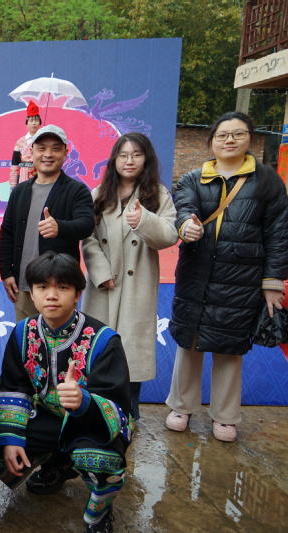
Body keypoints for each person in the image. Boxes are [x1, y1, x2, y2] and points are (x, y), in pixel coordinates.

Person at [165, 111, 288, 443]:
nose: (229, 140)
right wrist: (186, 226)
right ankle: (181, 406)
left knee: (230, 347)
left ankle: (225, 415)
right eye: (222, 135)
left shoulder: (268, 181)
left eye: (238, 133)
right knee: (189, 340)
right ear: (212, 142)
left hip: (242, 277)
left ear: (249, 138)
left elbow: (279, 234)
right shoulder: (193, 178)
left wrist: (272, 282)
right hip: (196, 272)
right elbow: (184, 208)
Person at [0, 251, 133, 533]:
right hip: (46, 417)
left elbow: (118, 408)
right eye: (42, 287)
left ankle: (99, 513)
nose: (52, 296)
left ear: (78, 293)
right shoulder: (22, 332)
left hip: (91, 424)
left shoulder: (104, 340)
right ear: (32, 293)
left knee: (100, 459)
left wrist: (83, 401)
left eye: (63, 287)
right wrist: (11, 437)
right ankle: (58, 464)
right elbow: (13, 388)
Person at [81, 133, 178, 420]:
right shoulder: (100, 193)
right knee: (98, 346)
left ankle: (129, 410)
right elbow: (88, 237)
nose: (129, 161)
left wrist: (144, 220)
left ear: (146, 159)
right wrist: (100, 272)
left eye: (136, 154)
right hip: (104, 284)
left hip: (138, 284)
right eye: (123, 155)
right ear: (114, 159)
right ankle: (98, 409)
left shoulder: (158, 195)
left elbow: (169, 236)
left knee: (131, 349)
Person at [0, 124, 94, 322]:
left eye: (55, 149)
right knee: (26, 336)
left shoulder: (77, 190)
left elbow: (86, 225)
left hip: (59, 286)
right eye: (41, 148)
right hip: (23, 284)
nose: (48, 154)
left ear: (65, 153)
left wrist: (61, 227)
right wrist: (6, 272)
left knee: (61, 336)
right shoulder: (19, 191)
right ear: (31, 152)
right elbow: (7, 234)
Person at [9, 102, 41, 187]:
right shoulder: (20, 142)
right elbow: (15, 163)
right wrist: (13, 183)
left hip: (40, 173)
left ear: (40, 123)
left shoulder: (43, 140)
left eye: (36, 120)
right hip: (24, 174)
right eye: (31, 121)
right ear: (26, 123)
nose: (34, 123)